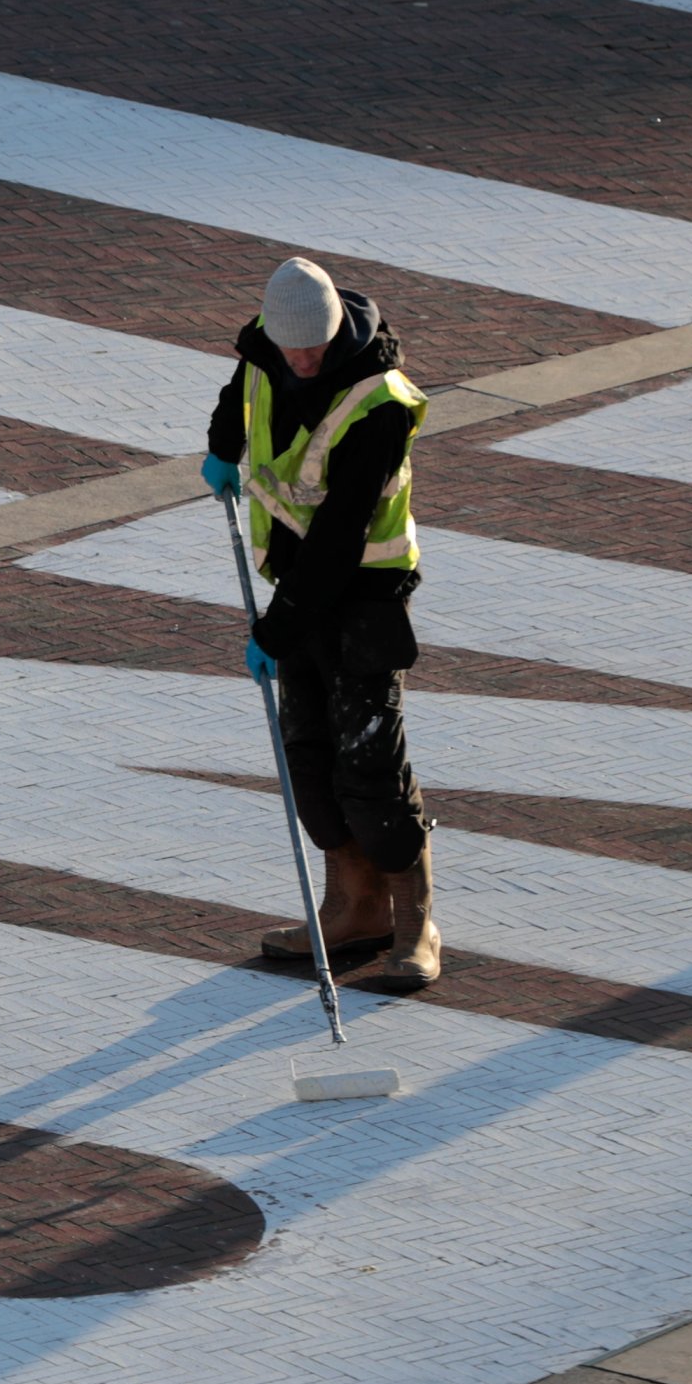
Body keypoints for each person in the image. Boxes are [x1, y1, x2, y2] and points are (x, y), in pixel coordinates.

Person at [199, 257, 442, 988]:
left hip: (362, 590)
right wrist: (220, 447)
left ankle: (413, 923)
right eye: (288, 350)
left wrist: (274, 630)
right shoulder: (267, 349)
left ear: (336, 333)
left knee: (368, 761)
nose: (299, 362)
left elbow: (340, 535)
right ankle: (350, 906)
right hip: (295, 586)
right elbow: (238, 392)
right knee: (307, 754)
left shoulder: (380, 404)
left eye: (312, 351)